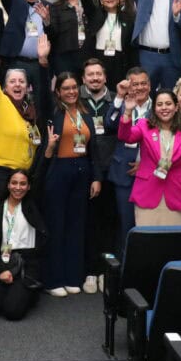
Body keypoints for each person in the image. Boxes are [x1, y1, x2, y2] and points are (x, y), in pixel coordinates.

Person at [39, 73, 102, 297]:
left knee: (77, 226)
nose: (71, 92)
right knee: (57, 225)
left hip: (82, 172)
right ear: (58, 92)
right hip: (59, 171)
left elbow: (93, 149)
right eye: (66, 88)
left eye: (74, 87)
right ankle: (54, 279)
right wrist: (44, 64)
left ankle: (73, 276)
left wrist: (96, 177)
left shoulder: (85, 113)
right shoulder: (53, 113)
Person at [0, 23, 49, 205]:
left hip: (22, 174)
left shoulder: (30, 111)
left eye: (21, 82)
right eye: (12, 81)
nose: (17, 85)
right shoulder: (0, 101)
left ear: (27, 87)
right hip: (0, 170)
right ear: (5, 87)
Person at [117, 89, 181, 226]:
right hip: (148, 193)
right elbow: (125, 136)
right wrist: (127, 112)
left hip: (177, 194)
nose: (164, 108)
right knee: (148, 241)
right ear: (154, 108)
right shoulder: (143, 126)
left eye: (168, 104)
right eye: (160, 104)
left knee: (175, 242)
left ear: (176, 107)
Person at [0, 169, 48, 321]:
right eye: (14, 183)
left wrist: (48, 149)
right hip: (1, 261)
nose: (18, 187)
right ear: (8, 185)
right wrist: (2, 270)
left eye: (23, 184)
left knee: (12, 312)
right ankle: (9, 289)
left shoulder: (33, 205)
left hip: (26, 264)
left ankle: (27, 294)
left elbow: (41, 174)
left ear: (29, 187)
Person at [0, 0, 54, 113]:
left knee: (39, 102)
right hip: (16, 62)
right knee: (13, 102)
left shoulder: (48, 7)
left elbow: (55, 35)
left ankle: (40, 135)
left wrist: (47, 21)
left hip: (39, 64)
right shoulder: (15, 3)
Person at [105, 67, 152, 255]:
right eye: (135, 84)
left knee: (145, 224)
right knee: (125, 223)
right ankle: (123, 270)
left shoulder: (159, 107)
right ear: (128, 85)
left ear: (150, 85)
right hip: (123, 172)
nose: (139, 88)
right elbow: (109, 124)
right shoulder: (123, 104)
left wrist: (146, 163)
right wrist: (119, 97)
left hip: (149, 173)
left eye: (143, 83)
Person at [79, 59, 117, 293]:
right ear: (83, 79)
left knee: (109, 224)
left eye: (98, 74)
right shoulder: (76, 99)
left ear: (105, 78)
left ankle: (105, 272)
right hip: (85, 170)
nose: (94, 78)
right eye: (90, 75)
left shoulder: (116, 100)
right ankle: (90, 272)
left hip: (111, 171)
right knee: (88, 224)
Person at [47, 0, 96, 77]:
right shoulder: (56, 7)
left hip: (88, 55)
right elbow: (53, 35)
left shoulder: (88, 2)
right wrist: (46, 21)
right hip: (64, 58)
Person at [85, 0, 135, 86]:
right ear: (101, 1)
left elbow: (131, 47)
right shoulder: (95, 15)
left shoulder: (128, 18)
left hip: (119, 62)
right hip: (98, 60)